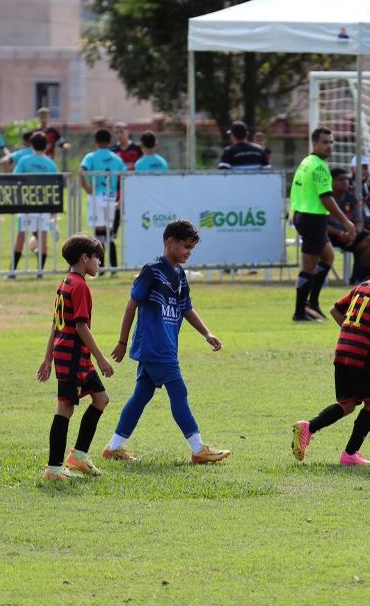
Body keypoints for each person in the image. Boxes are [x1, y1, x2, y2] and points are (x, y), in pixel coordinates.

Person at [102, 219, 231, 465]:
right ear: (170, 242)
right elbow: (132, 304)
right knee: (179, 392)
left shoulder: (180, 275)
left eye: (192, 248)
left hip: (163, 346)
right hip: (156, 346)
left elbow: (186, 308)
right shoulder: (152, 271)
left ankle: (114, 447)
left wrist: (206, 333)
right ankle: (198, 448)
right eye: (186, 247)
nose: (188, 252)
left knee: (141, 395)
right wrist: (122, 341)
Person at [292, 247, 370, 466]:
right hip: (362, 354)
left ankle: (308, 428)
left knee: (348, 404)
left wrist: (350, 329)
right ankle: (350, 453)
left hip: (342, 350)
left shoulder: (361, 287)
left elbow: (334, 310)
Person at [35, 234, 114, 482]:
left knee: (101, 399)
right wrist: (101, 359)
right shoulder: (79, 286)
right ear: (84, 258)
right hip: (72, 356)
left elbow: (55, 324)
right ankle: (53, 468)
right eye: (97, 258)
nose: (99, 263)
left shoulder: (66, 282)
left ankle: (78, 456)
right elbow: (81, 327)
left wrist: (48, 359)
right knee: (65, 407)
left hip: (75, 356)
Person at [290, 127, 357, 322]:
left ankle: (312, 303)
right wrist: (346, 222)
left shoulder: (306, 162)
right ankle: (300, 312)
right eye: (325, 142)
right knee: (308, 267)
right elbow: (326, 198)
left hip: (303, 215)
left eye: (331, 142)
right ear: (315, 143)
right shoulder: (319, 166)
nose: (329, 146)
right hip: (312, 218)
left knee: (328, 256)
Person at [10, 131, 58, 279]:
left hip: (27, 203)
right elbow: (55, 186)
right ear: (46, 146)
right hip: (44, 204)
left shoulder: (24, 160)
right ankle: (40, 271)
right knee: (42, 236)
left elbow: (15, 179)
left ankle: (12, 271)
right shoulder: (51, 164)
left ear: (31, 145)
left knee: (21, 236)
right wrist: (54, 210)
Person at [79, 128, 127, 269]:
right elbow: (125, 177)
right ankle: (113, 265)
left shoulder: (91, 157)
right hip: (110, 197)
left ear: (96, 141)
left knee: (99, 233)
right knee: (109, 232)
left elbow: (81, 171)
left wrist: (87, 187)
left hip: (96, 197)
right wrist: (121, 198)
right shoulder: (117, 158)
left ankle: (101, 266)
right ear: (110, 141)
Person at [327, 167, 370, 284]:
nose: (345, 182)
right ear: (331, 182)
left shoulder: (351, 198)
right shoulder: (326, 199)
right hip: (330, 235)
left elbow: (359, 221)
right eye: (341, 179)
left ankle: (359, 278)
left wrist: (354, 233)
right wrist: (340, 233)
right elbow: (322, 225)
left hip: (349, 234)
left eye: (347, 179)